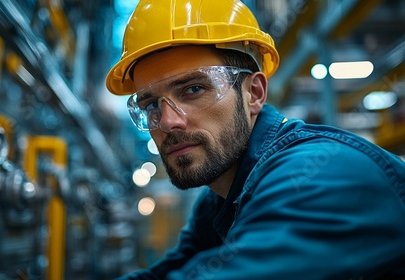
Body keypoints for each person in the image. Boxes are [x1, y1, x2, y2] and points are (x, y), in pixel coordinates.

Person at [105, 0, 405, 279]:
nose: (168, 121)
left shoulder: (321, 175)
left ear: (254, 94)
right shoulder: (219, 200)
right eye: (150, 105)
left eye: (193, 89)